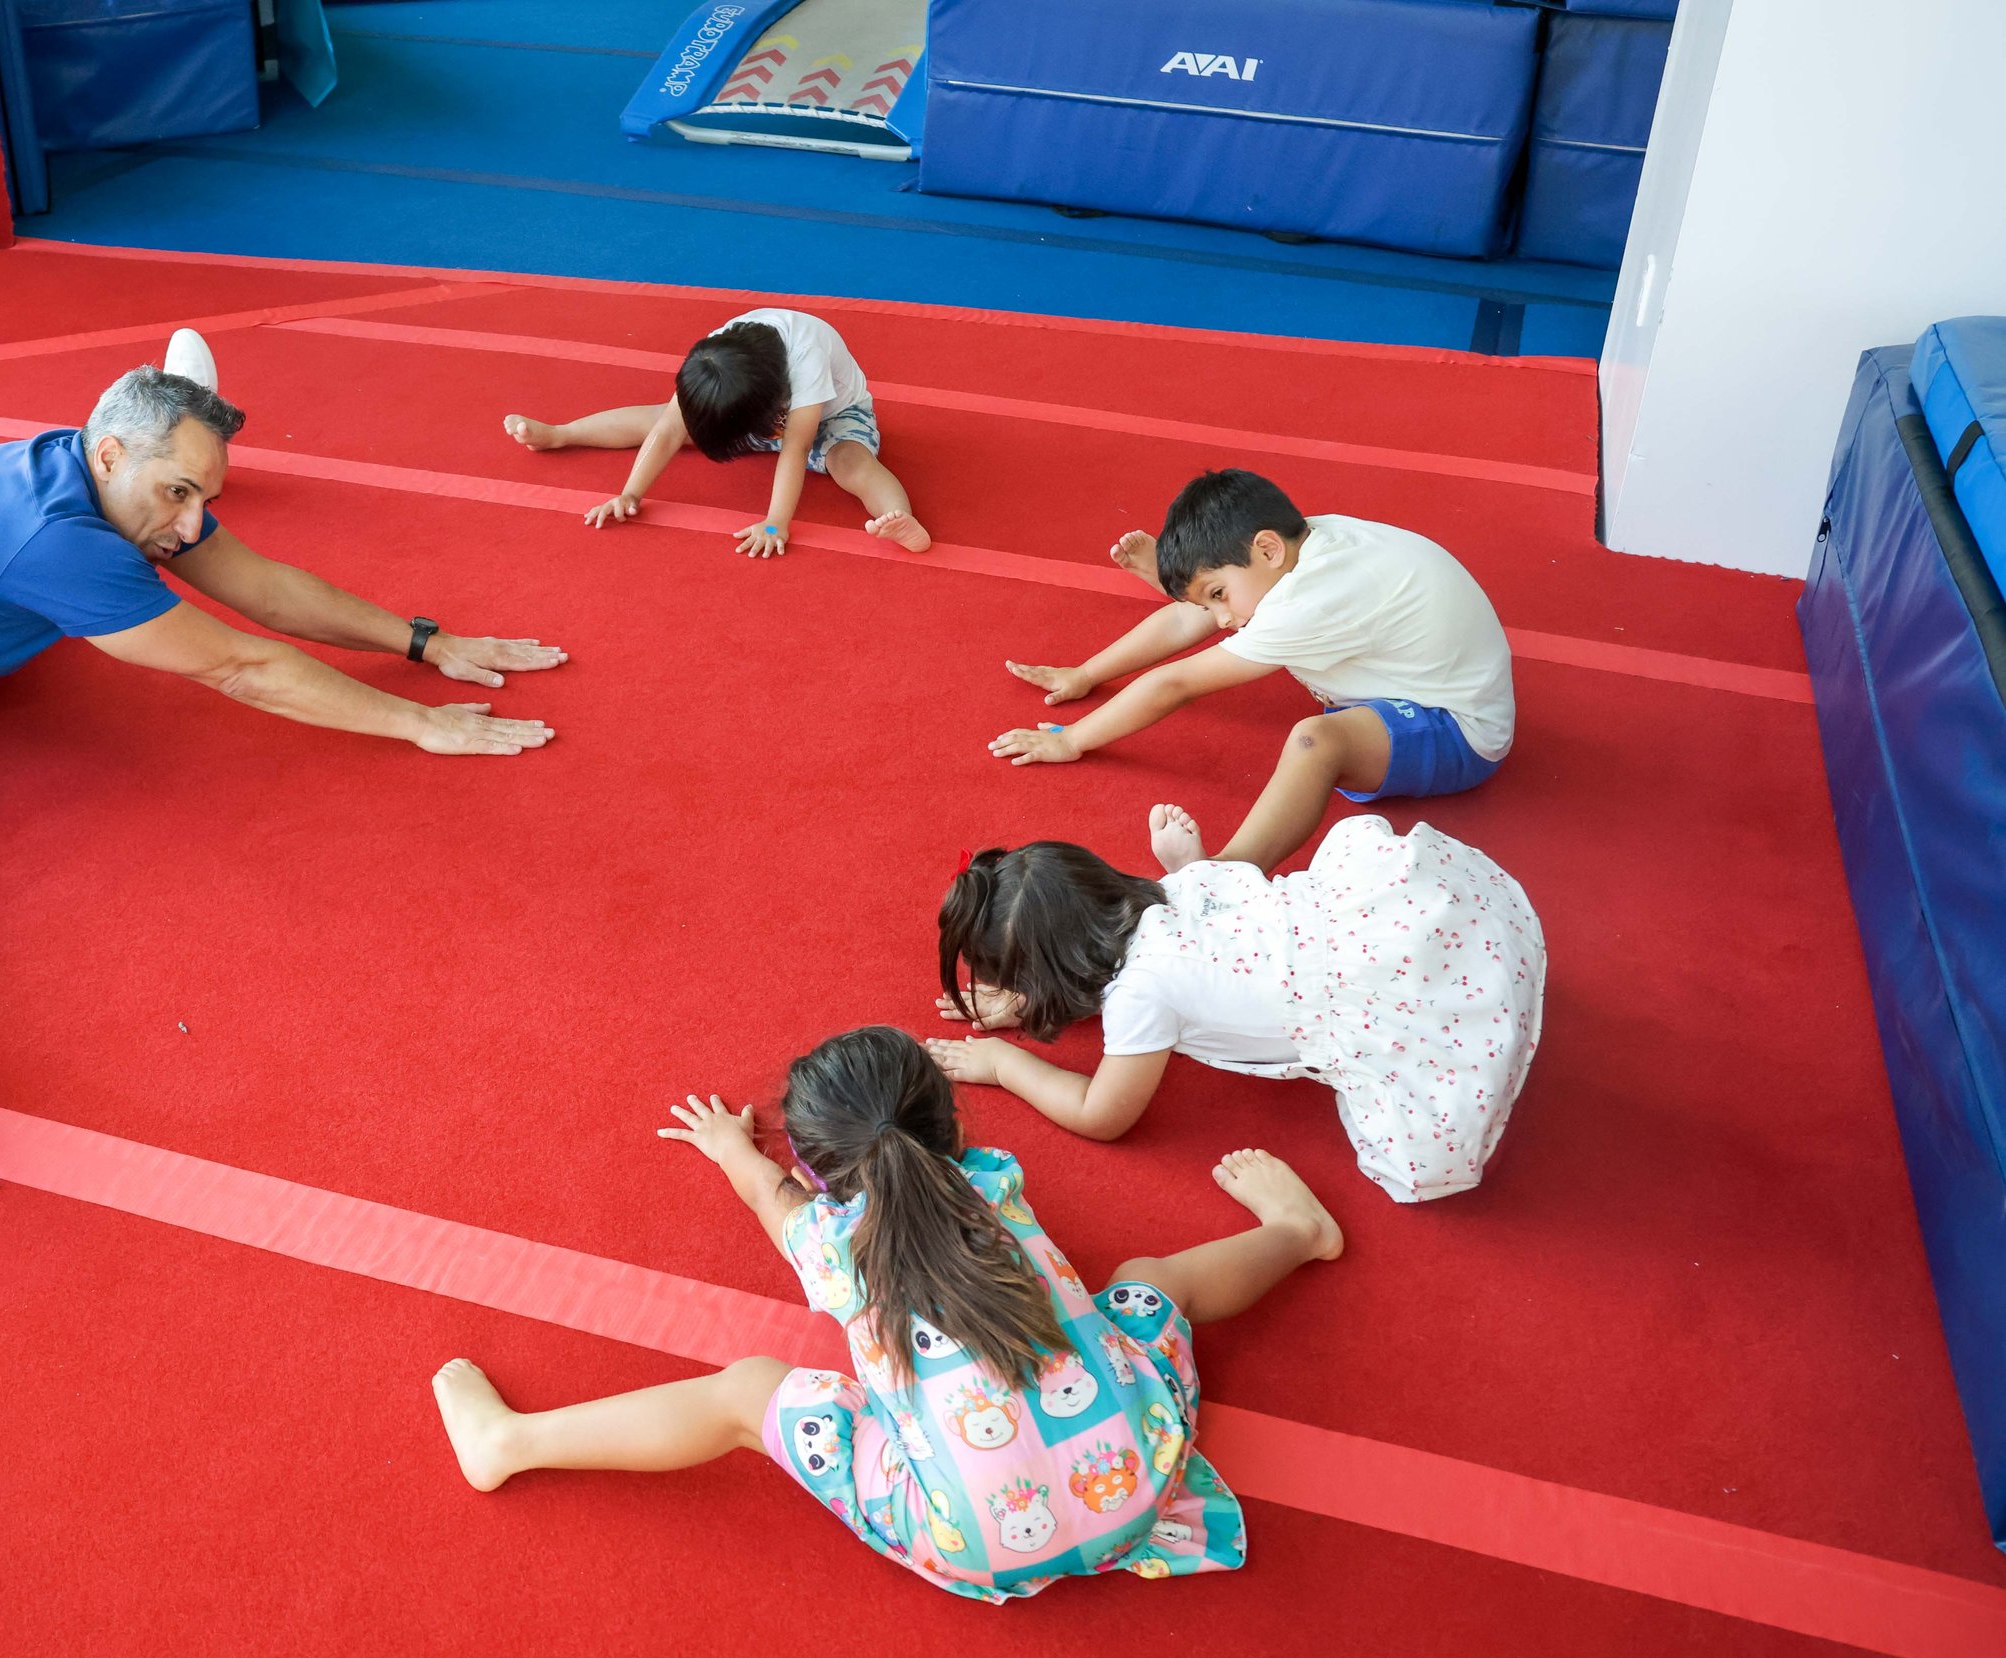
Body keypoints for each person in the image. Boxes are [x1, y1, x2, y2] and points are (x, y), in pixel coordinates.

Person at [0, 341, 564, 1096]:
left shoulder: (91, 478)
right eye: (179, 490)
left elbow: (262, 586)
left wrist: (423, 641)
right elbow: (240, 665)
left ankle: (176, 399)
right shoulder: (58, 539)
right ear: (106, 454)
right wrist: (418, 725)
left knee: (125, 583)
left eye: (203, 497)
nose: (191, 528)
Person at [429, 1026, 1340, 1601]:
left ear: (819, 1174)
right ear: (952, 1130)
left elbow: (772, 1202)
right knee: (1148, 1279)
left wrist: (727, 1148)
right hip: (1141, 1477)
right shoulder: (996, 1186)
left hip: (976, 1542)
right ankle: (1299, 1233)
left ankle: (511, 1443)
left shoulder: (830, 1246)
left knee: (748, 1393)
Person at [926, 805, 1544, 1203]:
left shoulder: (1141, 995)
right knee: (1221, 894)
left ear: (1053, 975)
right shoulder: (1180, 889)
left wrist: (1004, 1066)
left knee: (1415, 1155)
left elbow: (1102, 1114)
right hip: (1424, 929)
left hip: (1418, 1009)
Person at [991, 469, 1514, 873]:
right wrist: (1084, 674)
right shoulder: (1304, 543)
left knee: (1316, 740)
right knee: (1234, 616)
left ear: (1267, 548)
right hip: (1417, 678)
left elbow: (1175, 684)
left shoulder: (1308, 600)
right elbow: (1186, 621)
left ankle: (1226, 873)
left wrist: (1072, 740)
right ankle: (1186, 580)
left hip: (1459, 733)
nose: (1219, 618)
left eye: (1217, 595)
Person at [502, 307, 932, 557]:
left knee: (849, 460)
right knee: (658, 416)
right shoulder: (715, 358)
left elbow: (795, 445)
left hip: (830, 415)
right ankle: (561, 433)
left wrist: (773, 523)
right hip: (756, 406)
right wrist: (630, 493)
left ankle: (900, 517)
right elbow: (670, 428)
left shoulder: (806, 357)